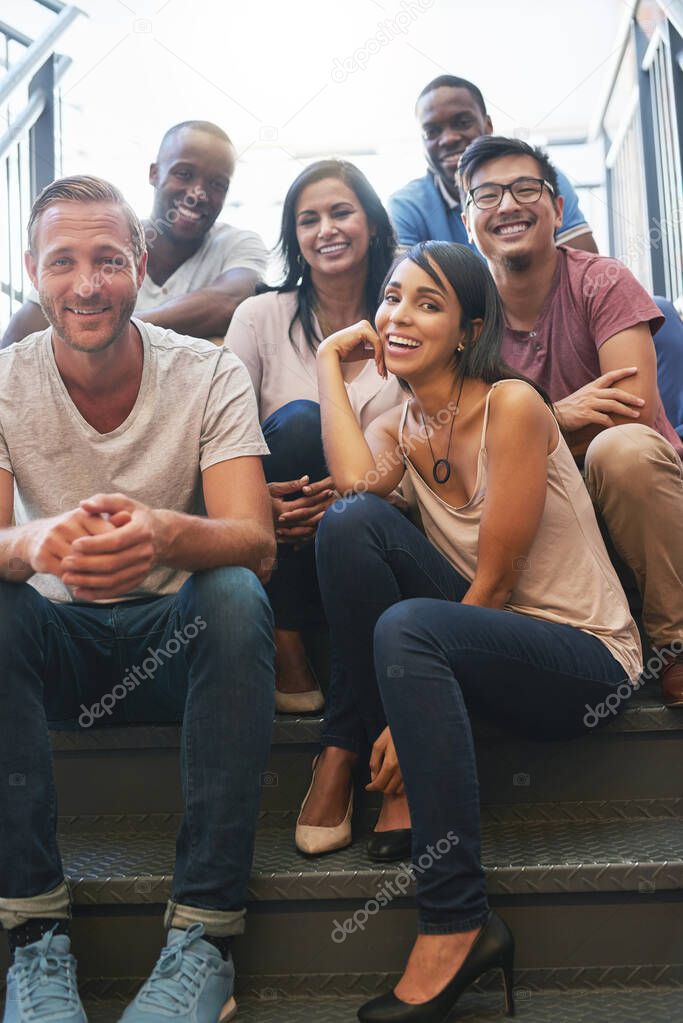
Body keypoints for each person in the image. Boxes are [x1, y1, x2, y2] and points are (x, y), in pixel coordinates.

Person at [310, 240, 642, 1022]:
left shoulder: (512, 405)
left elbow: (492, 581)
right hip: (478, 642)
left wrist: (400, 710)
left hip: (579, 656)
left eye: (428, 303)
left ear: (467, 331)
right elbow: (355, 488)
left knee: (409, 627)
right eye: (391, 297)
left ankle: (457, 918)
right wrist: (329, 363)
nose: (397, 315)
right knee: (347, 524)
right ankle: (395, 752)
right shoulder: (398, 420)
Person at [0, 175, 275, 1023]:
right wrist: (32, 544)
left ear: (141, 264)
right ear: (33, 271)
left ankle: (205, 938)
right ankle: (31, 939)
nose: (87, 283)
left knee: (232, 593)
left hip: (172, 643)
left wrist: (163, 533)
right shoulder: (4, 379)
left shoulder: (208, 370)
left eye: (109, 260)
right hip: (58, 644)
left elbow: (255, 540)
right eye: (65, 261)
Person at [456, 134, 683, 705]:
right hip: (534, 509)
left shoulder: (600, 281)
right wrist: (560, 415)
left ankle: (675, 645)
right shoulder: (464, 316)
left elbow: (630, 414)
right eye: (487, 196)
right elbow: (465, 448)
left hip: (627, 496)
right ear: (468, 221)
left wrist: (524, 432)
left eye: (525, 189)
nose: (507, 205)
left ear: (558, 209)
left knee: (623, 449)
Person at [226, 159, 403, 715]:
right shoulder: (258, 316)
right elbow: (219, 429)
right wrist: (255, 503)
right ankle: (287, 642)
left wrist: (358, 497)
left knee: (352, 513)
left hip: (380, 521)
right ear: (294, 237)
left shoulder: (410, 316)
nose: (325, 229)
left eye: (341, 212)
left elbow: (440, 433)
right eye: (309, 219)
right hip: (282, 527)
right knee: (302, 421)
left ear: (372, 224)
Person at [1, 121, 268, 346]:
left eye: (216, 184)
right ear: (154, 173)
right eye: (184, 174)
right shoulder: (104, 239)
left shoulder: (238, 244)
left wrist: (106, 329)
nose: (198, 193)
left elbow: (231, 302)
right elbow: (20, 336)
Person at [389, 75, 597, 253]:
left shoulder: (541, 181)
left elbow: (585, 278)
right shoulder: (408, 205)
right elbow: (405, 293)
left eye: (462, 123)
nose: (449, 138)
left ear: (488, 125)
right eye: (431, 132)